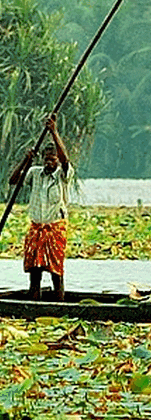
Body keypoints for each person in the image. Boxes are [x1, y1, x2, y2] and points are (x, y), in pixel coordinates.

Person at [9, 116, 74, 301]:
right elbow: (13, 181)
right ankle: (33, 302)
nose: (49, 162)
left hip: (54, 229)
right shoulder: (35, 173)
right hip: (36, 228)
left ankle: (60, 303)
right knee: (34, 270)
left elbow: (65, 158)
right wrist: (26, 160)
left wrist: (53, 131)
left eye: (52, 159)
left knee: (56, 271)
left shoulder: (63, 174)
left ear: (57, 160)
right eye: (46, 159)